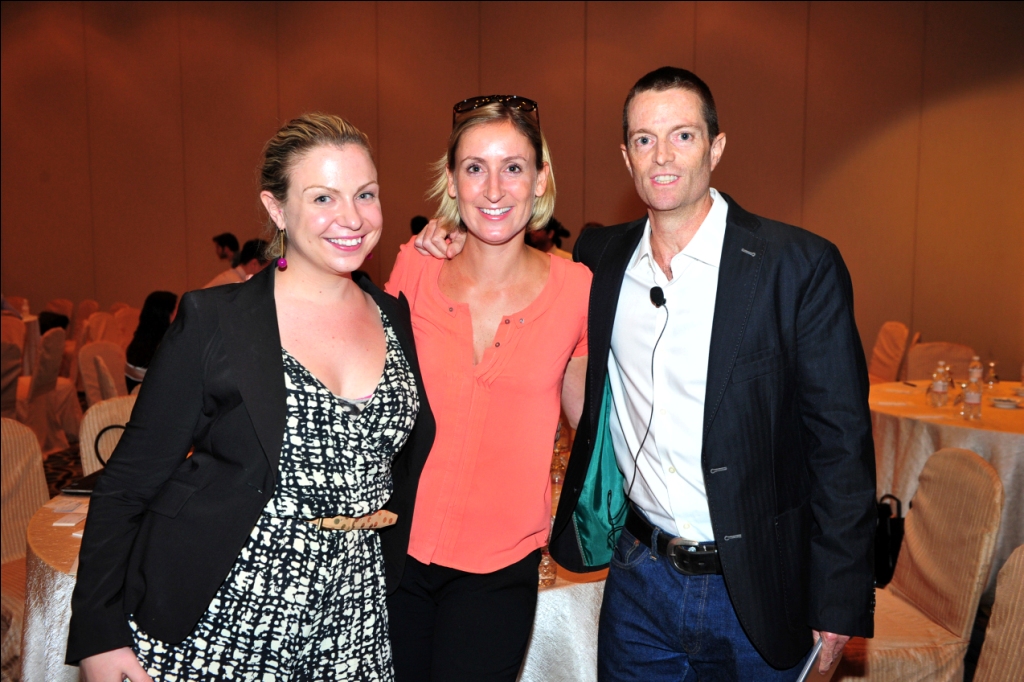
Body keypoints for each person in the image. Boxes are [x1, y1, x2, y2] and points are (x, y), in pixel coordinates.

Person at [418, 68, 876, 680]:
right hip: (639, 578)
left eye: (682, 136)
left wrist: (839, 596)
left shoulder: (795, 266)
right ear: (626, 156)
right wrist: (447, 235)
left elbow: (842, 445)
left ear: (715, 147)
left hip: (758, 586)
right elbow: (509, 269)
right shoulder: (600, 260)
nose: (662, 156)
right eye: (644, 139)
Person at [67, 113, 436, 681]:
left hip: (355, 612)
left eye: (366, 194)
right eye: (323, 198)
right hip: (230, 606)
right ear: (276, 208)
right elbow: (126, 485)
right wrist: (100, 635)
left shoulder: (394, 317)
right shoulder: (216, 320)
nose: (352, 218)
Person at [384, 95, 590, 681]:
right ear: (452, 182)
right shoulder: (415, 268)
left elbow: (593, 420)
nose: (494, 189)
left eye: (513, 167)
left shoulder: (578, 290)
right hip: (394, 552)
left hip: (499, 570)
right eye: (475, 168)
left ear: (540, 179)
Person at [123, 291, 178, 392]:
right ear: (165, 315)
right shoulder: (163, 350)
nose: (178, 315)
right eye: (175, 310)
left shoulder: (137, 346)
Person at [202, 238, 269, 288]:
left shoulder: (232, 277)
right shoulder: (236, 284)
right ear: (254, 264)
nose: (269, 273)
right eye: (267, 268)